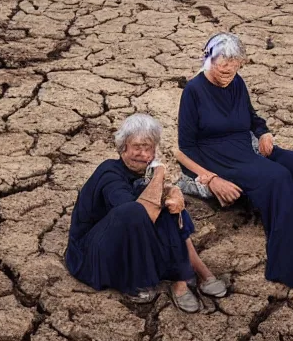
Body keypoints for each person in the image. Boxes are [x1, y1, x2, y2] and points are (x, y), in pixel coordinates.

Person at [175, 32, 293, 288]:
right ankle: (289, 267)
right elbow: (184, 148)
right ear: (207, 59)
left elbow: (251, 117)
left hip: (244, 146)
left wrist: (263, 132)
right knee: (277, 177)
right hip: (216, 156)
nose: (226, 77)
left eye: (232, 71)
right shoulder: (193, 91)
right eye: (221, 70)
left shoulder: (236, 83)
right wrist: (212, 179)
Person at [65, 113, 228, 312]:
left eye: (148, 148)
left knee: (170, 207)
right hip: (92, 254)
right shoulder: (109, 174)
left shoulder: (140, 171)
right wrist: (159, 174)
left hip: (123, 244)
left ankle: (186, 276)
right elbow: (139, 214)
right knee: (136, 210)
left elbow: (154, 198)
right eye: (137, 147)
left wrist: (173, 193)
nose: (143, 154)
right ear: (123, 147)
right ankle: (140, 280)